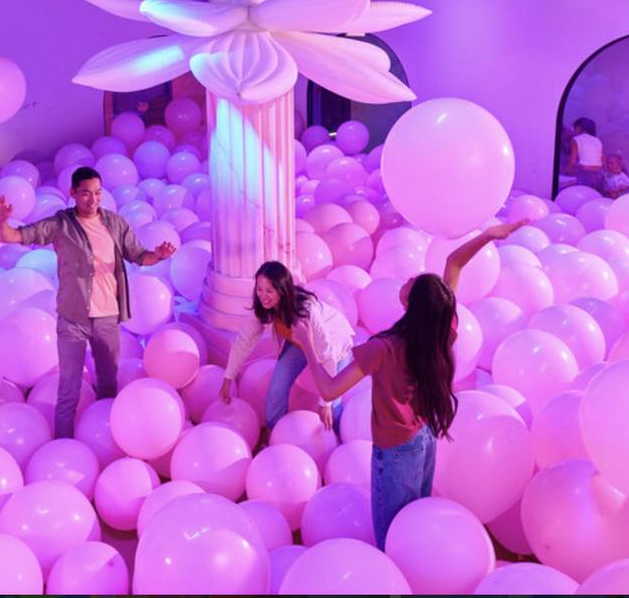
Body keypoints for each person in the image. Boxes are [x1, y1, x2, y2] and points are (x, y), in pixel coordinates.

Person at [294, 219, 527, 549]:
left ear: (410, 304)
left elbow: (330, 390)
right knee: (415, 523)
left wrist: (306, 344)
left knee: (392, 535)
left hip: (395, 452)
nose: (409, 278)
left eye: (413, 282)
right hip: (424, 437)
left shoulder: (383, 348)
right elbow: (454, 263)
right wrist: (488, 235)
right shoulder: (441, 329)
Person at [0, 166, 175, 437]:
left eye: (98, 193)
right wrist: (1, 221)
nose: (93, 199)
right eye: (86, 193)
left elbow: (139, 255)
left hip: (107, 316)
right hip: (72, 319)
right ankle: (62, 443)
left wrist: (158, 255)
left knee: (108, 383)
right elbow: (12, 236)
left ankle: (108, 437)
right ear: (73, 193)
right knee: (69, 389)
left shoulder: (115, 224)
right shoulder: (61, 224)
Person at [218, 261, 354, 434]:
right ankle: (275, 434)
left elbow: (328, 356)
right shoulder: (263, 308)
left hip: (334, 343)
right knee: (277, 388)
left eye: (269, 290)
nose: (263, 295)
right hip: (299, 341)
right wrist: (228, 378)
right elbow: (243, 341)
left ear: (281, 290)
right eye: (259, 289)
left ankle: (337, 438)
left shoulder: (306, 312)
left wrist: (325, 403)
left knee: (332, 404)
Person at [567, 117, 604, 191]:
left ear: (578, 127)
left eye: (574, 128)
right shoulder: (597, 140)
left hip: (585, 174)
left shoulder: (576, 139)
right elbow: (602, 160)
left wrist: (568, 171)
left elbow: (572, 162)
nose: (573, 130)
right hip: (599, 174)